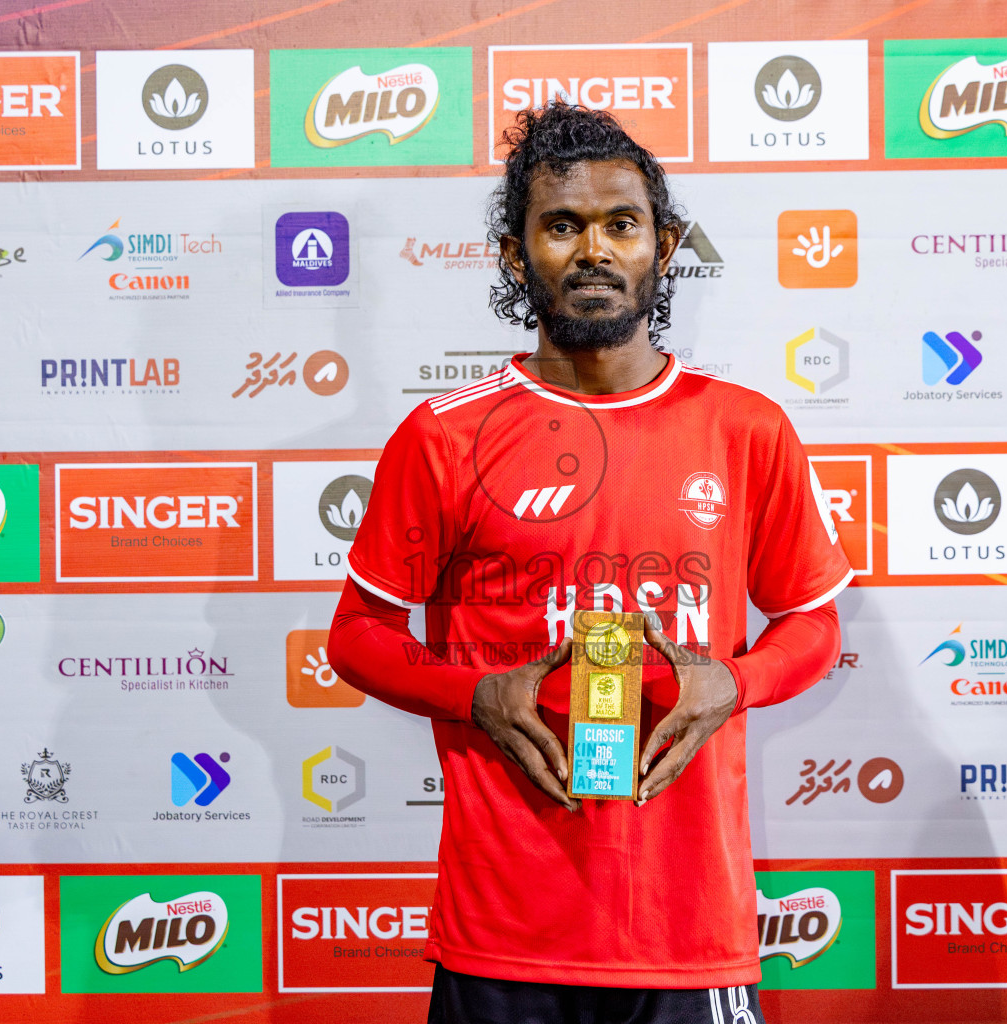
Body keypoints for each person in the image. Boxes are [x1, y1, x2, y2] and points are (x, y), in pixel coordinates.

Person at [329, 101, 852, 1024]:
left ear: (666, 243)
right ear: (515, 253)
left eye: (622, 223)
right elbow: (358, 636)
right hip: (505, 926)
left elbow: (813, 624)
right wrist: (472, 693)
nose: (594, 249)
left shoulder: (746, 430)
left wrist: (735, 681)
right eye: (562, 225)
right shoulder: (446, 437)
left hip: (689, 932)